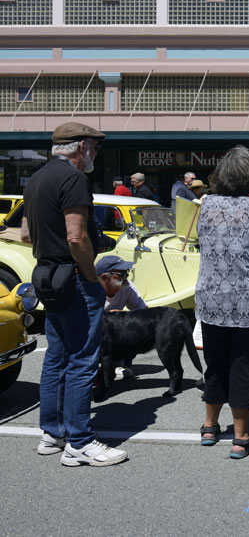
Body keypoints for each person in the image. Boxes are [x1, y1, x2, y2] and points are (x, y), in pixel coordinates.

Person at [22, 121, 128, 466]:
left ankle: (52, 433)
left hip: (46, 275)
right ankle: (80, 442)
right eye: (94, 147)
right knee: (82, 359)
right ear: (81, 147)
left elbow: (25, 234)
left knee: (56, 356)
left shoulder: (36, 179)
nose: (96, 153)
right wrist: (91, 277)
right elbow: (76, 237)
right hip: (74, 277)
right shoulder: (74, 178)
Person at [195, 145, 249, 459]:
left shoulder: (205, 204)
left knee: (215, 364)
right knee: (244, 366)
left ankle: (209, 426)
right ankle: (241, 436)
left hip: (211, 298)